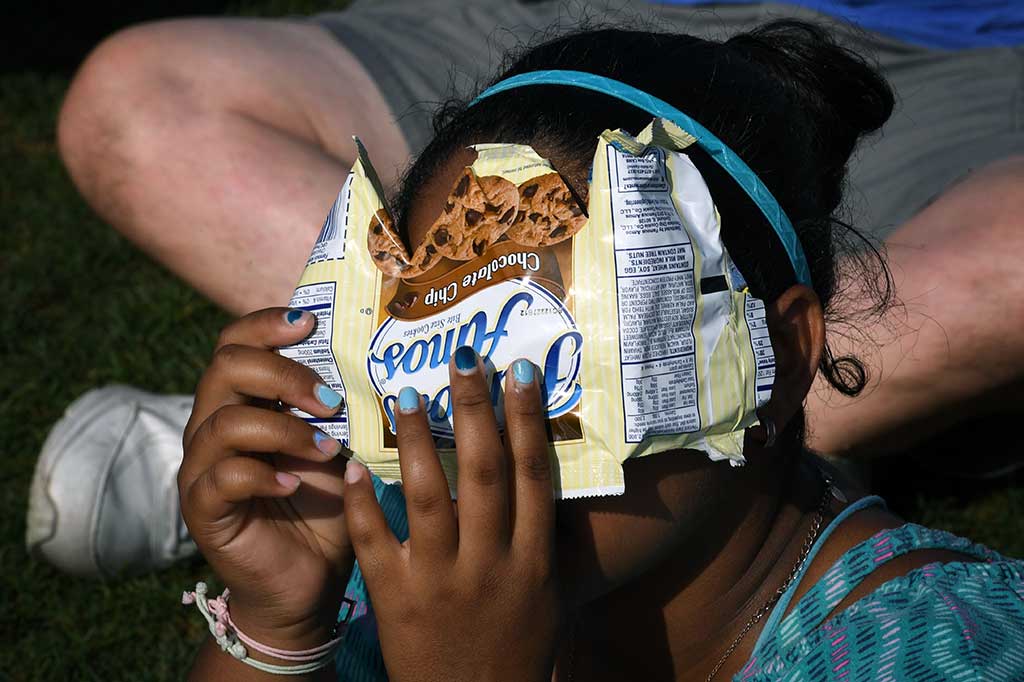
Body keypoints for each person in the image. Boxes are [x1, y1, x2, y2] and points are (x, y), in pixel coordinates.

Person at [29, 0, 1024, 577]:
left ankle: (351, 463)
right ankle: (335, 425)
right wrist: (268, 627)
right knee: (135, 101)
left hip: (974, 60)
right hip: (581, 25)